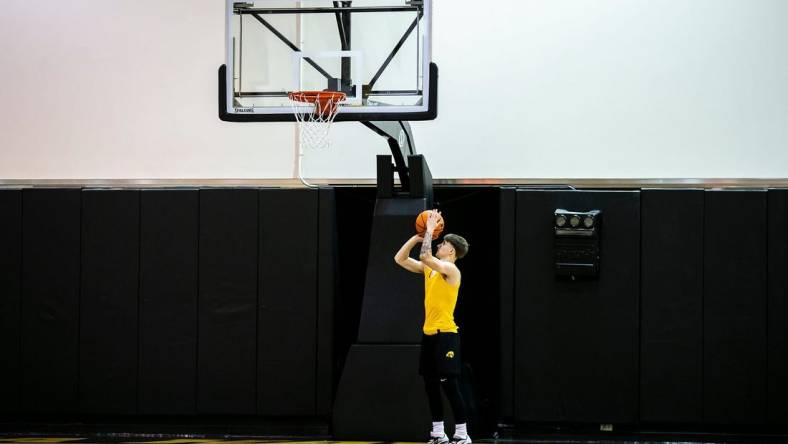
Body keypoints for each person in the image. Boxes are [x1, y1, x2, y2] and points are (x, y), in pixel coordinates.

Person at [394, 210, 471, 444]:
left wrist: (428, 230)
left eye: (444, 242)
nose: (440, 244)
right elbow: (400, 258)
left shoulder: (451, 270)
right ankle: (438, 433)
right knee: (430, 384)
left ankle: (462, 434)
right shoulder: (431, 269)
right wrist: (418, 237)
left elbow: (427, 257)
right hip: (429, 334)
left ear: (452, 251)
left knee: (449, 384)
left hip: (447, 334)